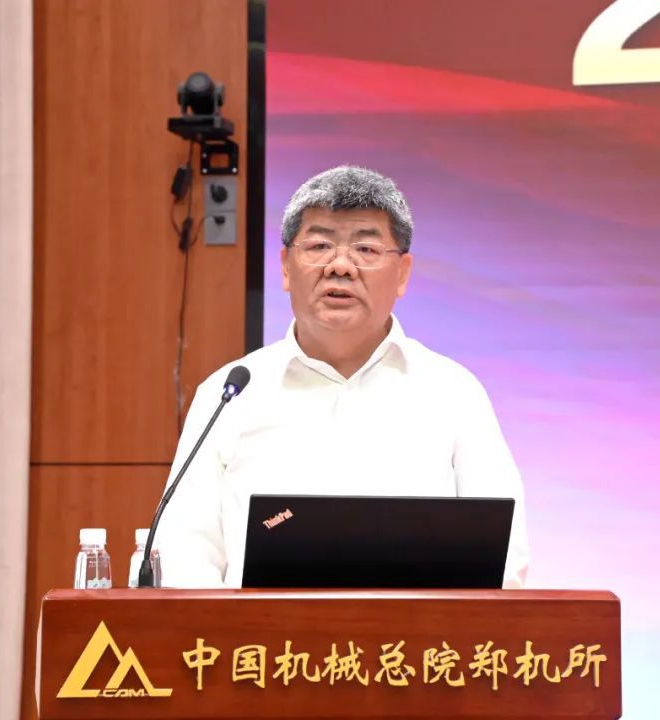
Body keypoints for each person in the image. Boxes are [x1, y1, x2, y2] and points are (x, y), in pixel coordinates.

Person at [156, 166, 529, 588]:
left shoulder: (453, 392)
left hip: (416, 632)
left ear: (402, 273)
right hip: (261, 632)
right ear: (285, 267)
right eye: (319, 245)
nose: (340, 266)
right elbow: (183, 554)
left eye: (366, 249)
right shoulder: (230, 394)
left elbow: (505, 557)